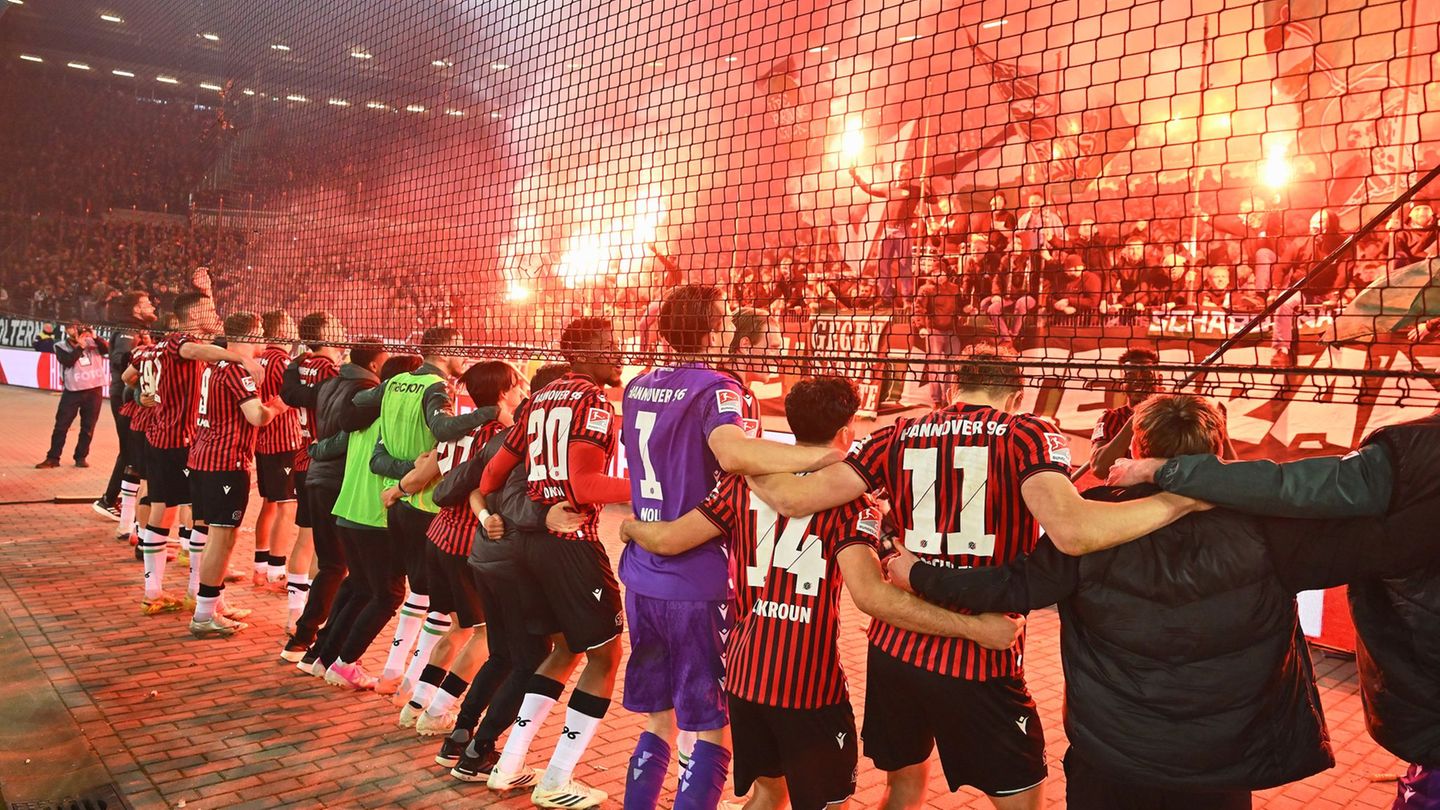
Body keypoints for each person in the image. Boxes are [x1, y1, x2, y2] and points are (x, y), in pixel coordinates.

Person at [893, 393, 1440, 810]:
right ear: (1220, 449)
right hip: (1223, 762)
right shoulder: (1274, 529)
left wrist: (914, 571)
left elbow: (1006, 587)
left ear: (1138, 450)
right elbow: (1384, 544)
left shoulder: (1092, 522)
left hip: (1112, 756)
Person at [746, 345, 1204, 810]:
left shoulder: (894, 434)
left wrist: (739, 460)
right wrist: (1183, 498)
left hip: (895, 650)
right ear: (1014, 397)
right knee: (1020, 802)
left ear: (950, 387)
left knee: (901, 791)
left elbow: (795, 499)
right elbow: (1072, 531)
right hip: (980, 656)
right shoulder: (1027, 433)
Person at [620, 377, 1024, 810]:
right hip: (808, 688)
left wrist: (629, 527)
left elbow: (669, 540)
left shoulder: (742, 484)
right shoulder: (851, 504)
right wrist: (972, 628)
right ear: (846, 433)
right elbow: (871, 597)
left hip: (743, 678)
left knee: (767, 797)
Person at [1110, 412, 1440, 809]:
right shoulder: (1272, 539)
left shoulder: (1096, 526)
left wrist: (1168, 474)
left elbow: (1294, 487)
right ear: (1217, 446)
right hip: (1224, 748)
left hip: (1118, 743)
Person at [618, 285, 841, 810]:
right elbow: (731, 452)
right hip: (699, 580)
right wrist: (826, 459)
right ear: (716, 329)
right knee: (712, 724)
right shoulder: (721, 388)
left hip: (643, 574)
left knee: (659, 718)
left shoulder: (638, 385)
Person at [477, 317, 630, 808]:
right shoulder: (593, 400)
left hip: (528, 547)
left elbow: (491, 477)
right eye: (609, 345)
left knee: (564, 651)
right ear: (584, 351)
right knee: (605, 655)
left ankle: (509, 765)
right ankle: (556, 779)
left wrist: (532, 507)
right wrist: (658, 490)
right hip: (570, 544)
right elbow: (585, 488)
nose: (619, 351)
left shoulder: (539, 397)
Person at [439, 363, 573, 780]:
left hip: (486, 557)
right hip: (515, 562)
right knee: (532, 656)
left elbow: (457, 489)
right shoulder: (542, 440)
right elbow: (475, 494)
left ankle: (459, 736)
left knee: (503, 653)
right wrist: (536, 514)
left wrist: (483, 515)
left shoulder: (506, 435)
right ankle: (480, 751)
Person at [383, 361, 529, 737]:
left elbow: (426, 472)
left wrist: (399, 489)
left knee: (457, 629)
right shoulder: (501, 435)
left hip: (440, 535)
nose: (520, 392)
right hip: (469, 542)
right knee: (484, 635)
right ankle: (438, 711)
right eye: (515, 386)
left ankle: (417, 704)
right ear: (502, 392)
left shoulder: (457, 429)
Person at [352, 326, 493, 701]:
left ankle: (395, 674)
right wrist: (490, 412)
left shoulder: (396, 382)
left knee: (418, 598)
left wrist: (399, 480)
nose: (465, 354)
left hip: (403, 503)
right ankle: (411, 686)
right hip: (430, 504)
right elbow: (442, 429)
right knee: (440, 610)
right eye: (462, 347)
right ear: (446, 350)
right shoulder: (437, 388)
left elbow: (368, 425)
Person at [123, 291, 260, 615]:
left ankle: (175, 592)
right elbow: (196, 350)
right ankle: (174, 593)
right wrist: (240, 357)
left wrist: (144, 394)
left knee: (177, 512)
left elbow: (129, 377)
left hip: (163, 437)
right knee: (188, 517)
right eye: (208, 307)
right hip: (179, 441)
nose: (213, 311)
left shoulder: (150, 349)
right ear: (192, 312)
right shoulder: (178, 342)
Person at [297, 354, 421, 682]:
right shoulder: (397, 419)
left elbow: (330, 444)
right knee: (388, 594)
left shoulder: (364, 412)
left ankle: (320, 656)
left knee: (358, 586)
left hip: (347, 510)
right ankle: (345, 662)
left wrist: (312, 451)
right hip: (375, 515)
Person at [280, 340, 388, 662]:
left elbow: (292, 394)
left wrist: (291, 365)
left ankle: (303, 639)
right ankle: (316, 644)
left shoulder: (329, 383)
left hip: (316, 478)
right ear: (373, 364)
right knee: (347, 571)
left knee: (332, 565)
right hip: (339, 481)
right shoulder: (367, 390)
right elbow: (348, 432)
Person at [187, 313, 289, 637]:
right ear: (251, 334)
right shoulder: (235, 369)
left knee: (213, 536)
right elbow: (256, 416)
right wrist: (280, 404)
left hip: (203, 457)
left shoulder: (215, 365)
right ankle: (203, 615)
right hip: (225, 463)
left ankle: (211, 603)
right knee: (222, 537)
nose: (264, 341)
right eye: (260, 335)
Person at [279, 312, 346, 632]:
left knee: (306, 537)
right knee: (330, 552)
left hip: (303, 456)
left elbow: (292, 393)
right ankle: (317, 616)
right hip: (324, 462)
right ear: (323, 334)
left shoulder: (302, 363)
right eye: (334, 325)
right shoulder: (328, 369)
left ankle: (296, 612)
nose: (342, 328)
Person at [94, 290, 158, 526]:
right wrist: (143, 353)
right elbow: (121, 359)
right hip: (126, 397)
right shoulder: (128, 331)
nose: (152, 305)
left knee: (130, 451)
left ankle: (117, 505)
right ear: (136, 309)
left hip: (130, 396)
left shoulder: (136, 329)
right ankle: (109, 500)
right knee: (130, 451)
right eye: (147, 302)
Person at [252, 311, 304, 589]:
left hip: (262, 441)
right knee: (287, 506)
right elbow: (289, 398)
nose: (295, 328)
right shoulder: (282, 361)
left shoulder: (259, 357)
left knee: (270, 503)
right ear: (281, 329)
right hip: (283, 441)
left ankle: (260, 566)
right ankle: (276, 570)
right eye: (290, 324)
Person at [38, 323, 110, 469]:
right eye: (71, 327)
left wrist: (95, 337)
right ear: (66, 330)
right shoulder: (60, 346)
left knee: (88, 427)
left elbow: (106, 350)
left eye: (77, 327)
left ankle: (81, 457)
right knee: (61, 426)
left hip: (94, 390)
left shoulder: (93, 342)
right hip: (72, 391)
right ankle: (53, 458)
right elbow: (68, 361)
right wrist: (80, 347)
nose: (75, 330)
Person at [1087, 348, 1159, 480]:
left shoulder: (1169, 415)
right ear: (1122, 383)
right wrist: (1137, 417)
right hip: (1121, 493)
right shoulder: (1110, 418)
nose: (1138, 381)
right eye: (1130, 377)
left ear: (1158, 380)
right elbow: (1099, 469)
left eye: (1147, 376)